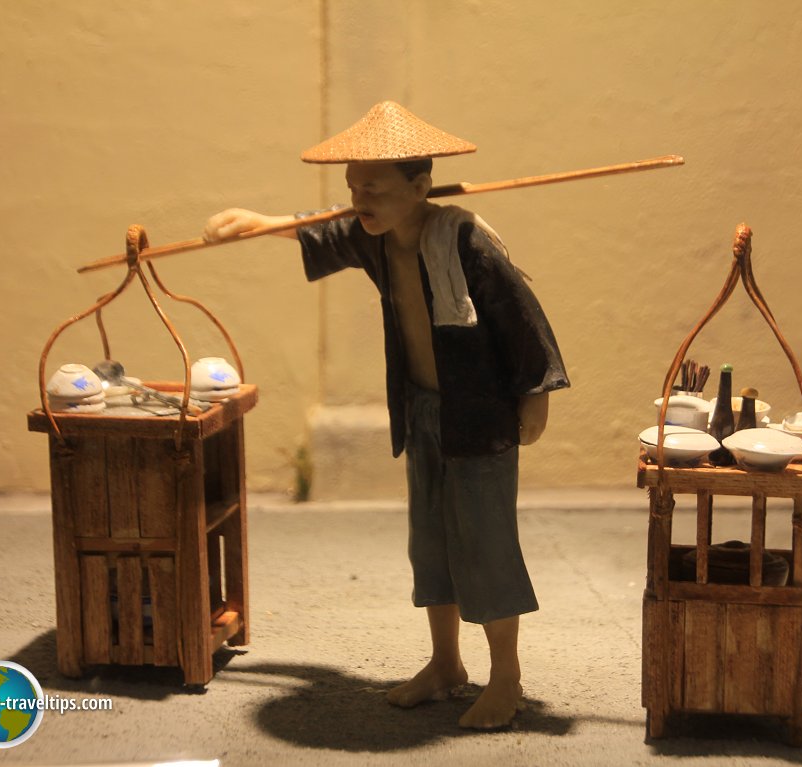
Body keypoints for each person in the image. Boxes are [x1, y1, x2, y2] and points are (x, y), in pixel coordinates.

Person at [204, 101, 569, 729]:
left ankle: (505, 676)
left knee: (484, 546)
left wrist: (535, 393)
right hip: (423, 410)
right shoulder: (374, 237)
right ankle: (446, 663)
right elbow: (319, 227)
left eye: (372, 185)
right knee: (430, 544)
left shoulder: (464, 241)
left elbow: (522, 316)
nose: (357, 196)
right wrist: (263, 222)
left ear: (420, 187)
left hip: (478, 417)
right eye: (352, 184)